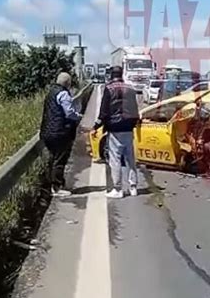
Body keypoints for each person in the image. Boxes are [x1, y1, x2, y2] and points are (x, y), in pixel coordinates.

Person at [93, 65, 140, 198]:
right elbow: (135, 108)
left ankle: (118, 189)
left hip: (115, 129)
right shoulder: (131, 89)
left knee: (115, 159)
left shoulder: (108, 88)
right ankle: (133, 187)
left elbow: (104, 111)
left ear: (111, 75)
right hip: (129, 128)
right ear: (122, 74)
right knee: (130, 158)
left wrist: (96, 126)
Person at [40, 72, 82, 197]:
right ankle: (57, 188)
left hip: (47, 132)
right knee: (59, 160)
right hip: (60, 132)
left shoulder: (51, 92)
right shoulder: (63, 94)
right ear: (68, 83)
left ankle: (51, 185)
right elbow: (69, 113)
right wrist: (78, 116)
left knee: (52, 159)